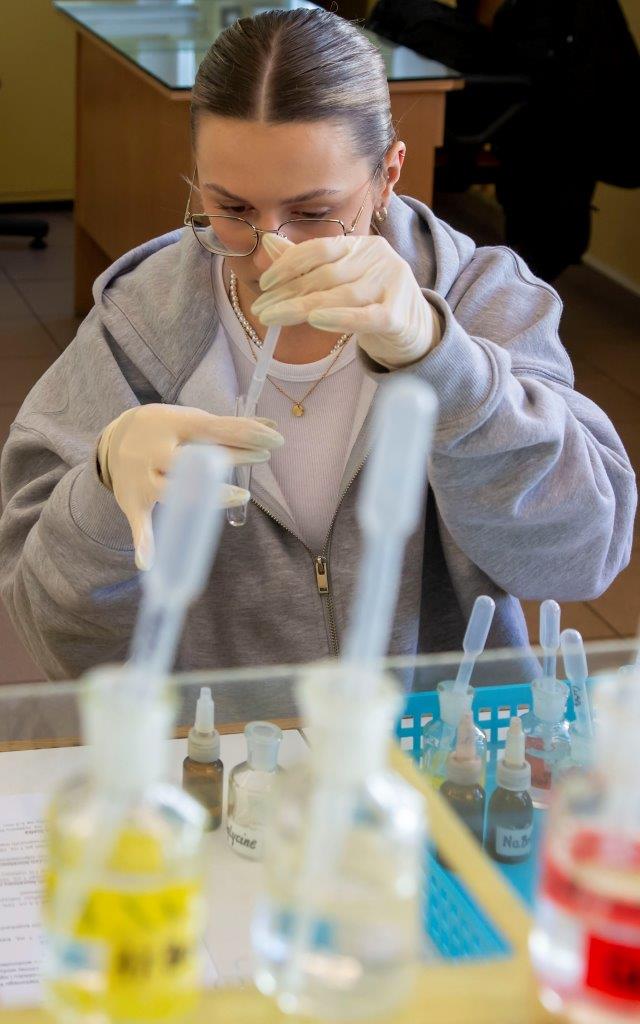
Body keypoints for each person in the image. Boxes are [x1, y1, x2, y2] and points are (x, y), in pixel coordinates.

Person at [0, 8, 635, 680]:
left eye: (312, 213)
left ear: (388, 175)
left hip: (435, 731)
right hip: (229, 739)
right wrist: (101, 493)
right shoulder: (135, 329)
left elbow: (580, 558)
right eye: (232, 209)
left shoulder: (484, 298)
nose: (270, 253)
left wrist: (444, 364)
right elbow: (56, 637)